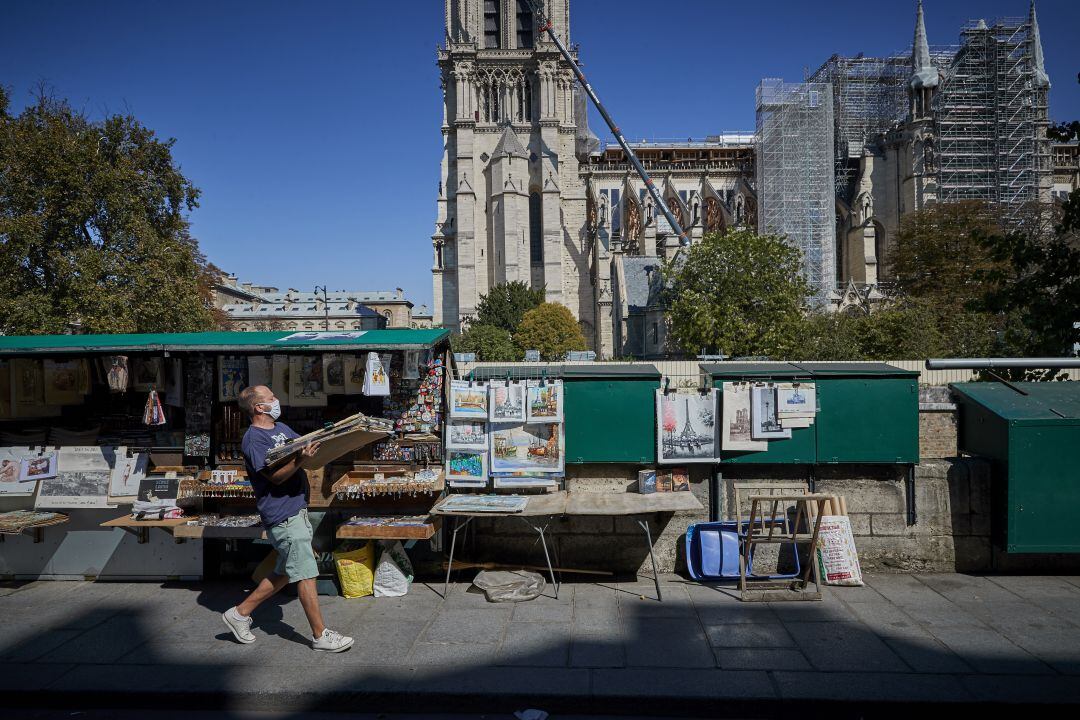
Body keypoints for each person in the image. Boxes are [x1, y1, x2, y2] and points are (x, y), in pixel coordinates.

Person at [221, 385, 353, 653]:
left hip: (296, 509)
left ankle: (239, 613)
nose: (277, 400)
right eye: (271, 398)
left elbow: (304, 447)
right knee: (305, 572)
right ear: (259, 407)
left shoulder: (281, 429)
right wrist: (300, 462)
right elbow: (274, 477)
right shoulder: (254, 439)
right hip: (281, 514)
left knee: (286, 570)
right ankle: (320, 635)